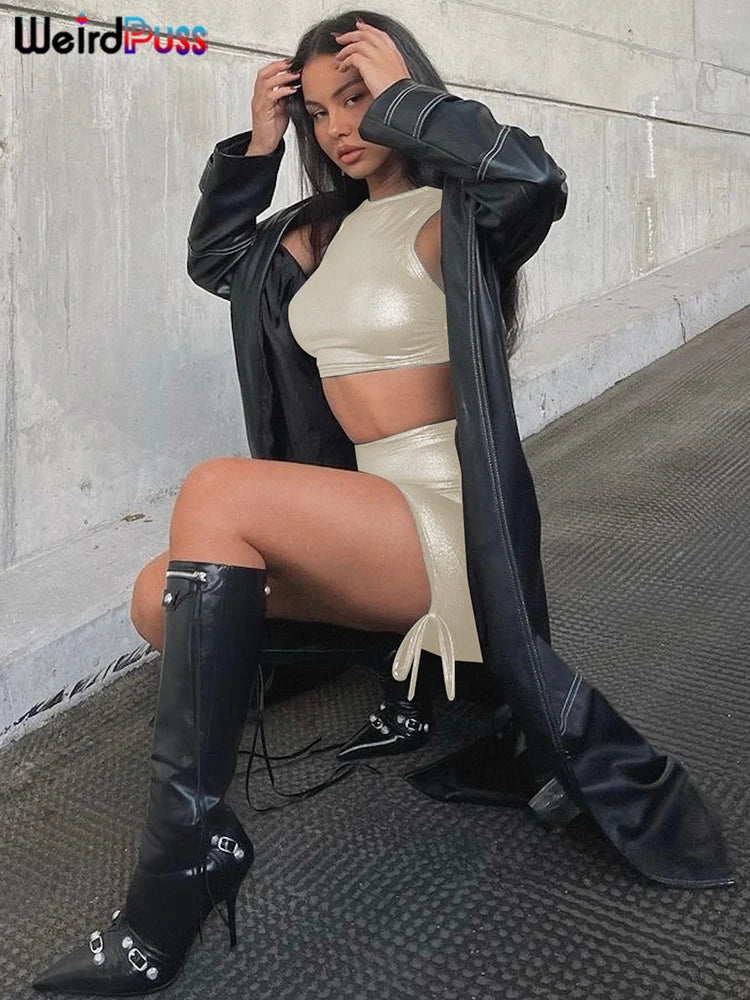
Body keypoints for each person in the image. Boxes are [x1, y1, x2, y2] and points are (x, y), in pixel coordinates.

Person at [33, 9, 732, 997]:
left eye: (356, 99)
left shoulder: (457, 219)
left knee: (217, 490)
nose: (338, 128)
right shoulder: (321, 231)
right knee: (157, 600)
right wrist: (258, 146)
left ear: (403, 92)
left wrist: (408, 96)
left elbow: (535, 181)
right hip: (371, 515)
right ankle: (380, 677)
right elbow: (221, 262)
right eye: (319, 112)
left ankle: (179, 872)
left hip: (446, 526)